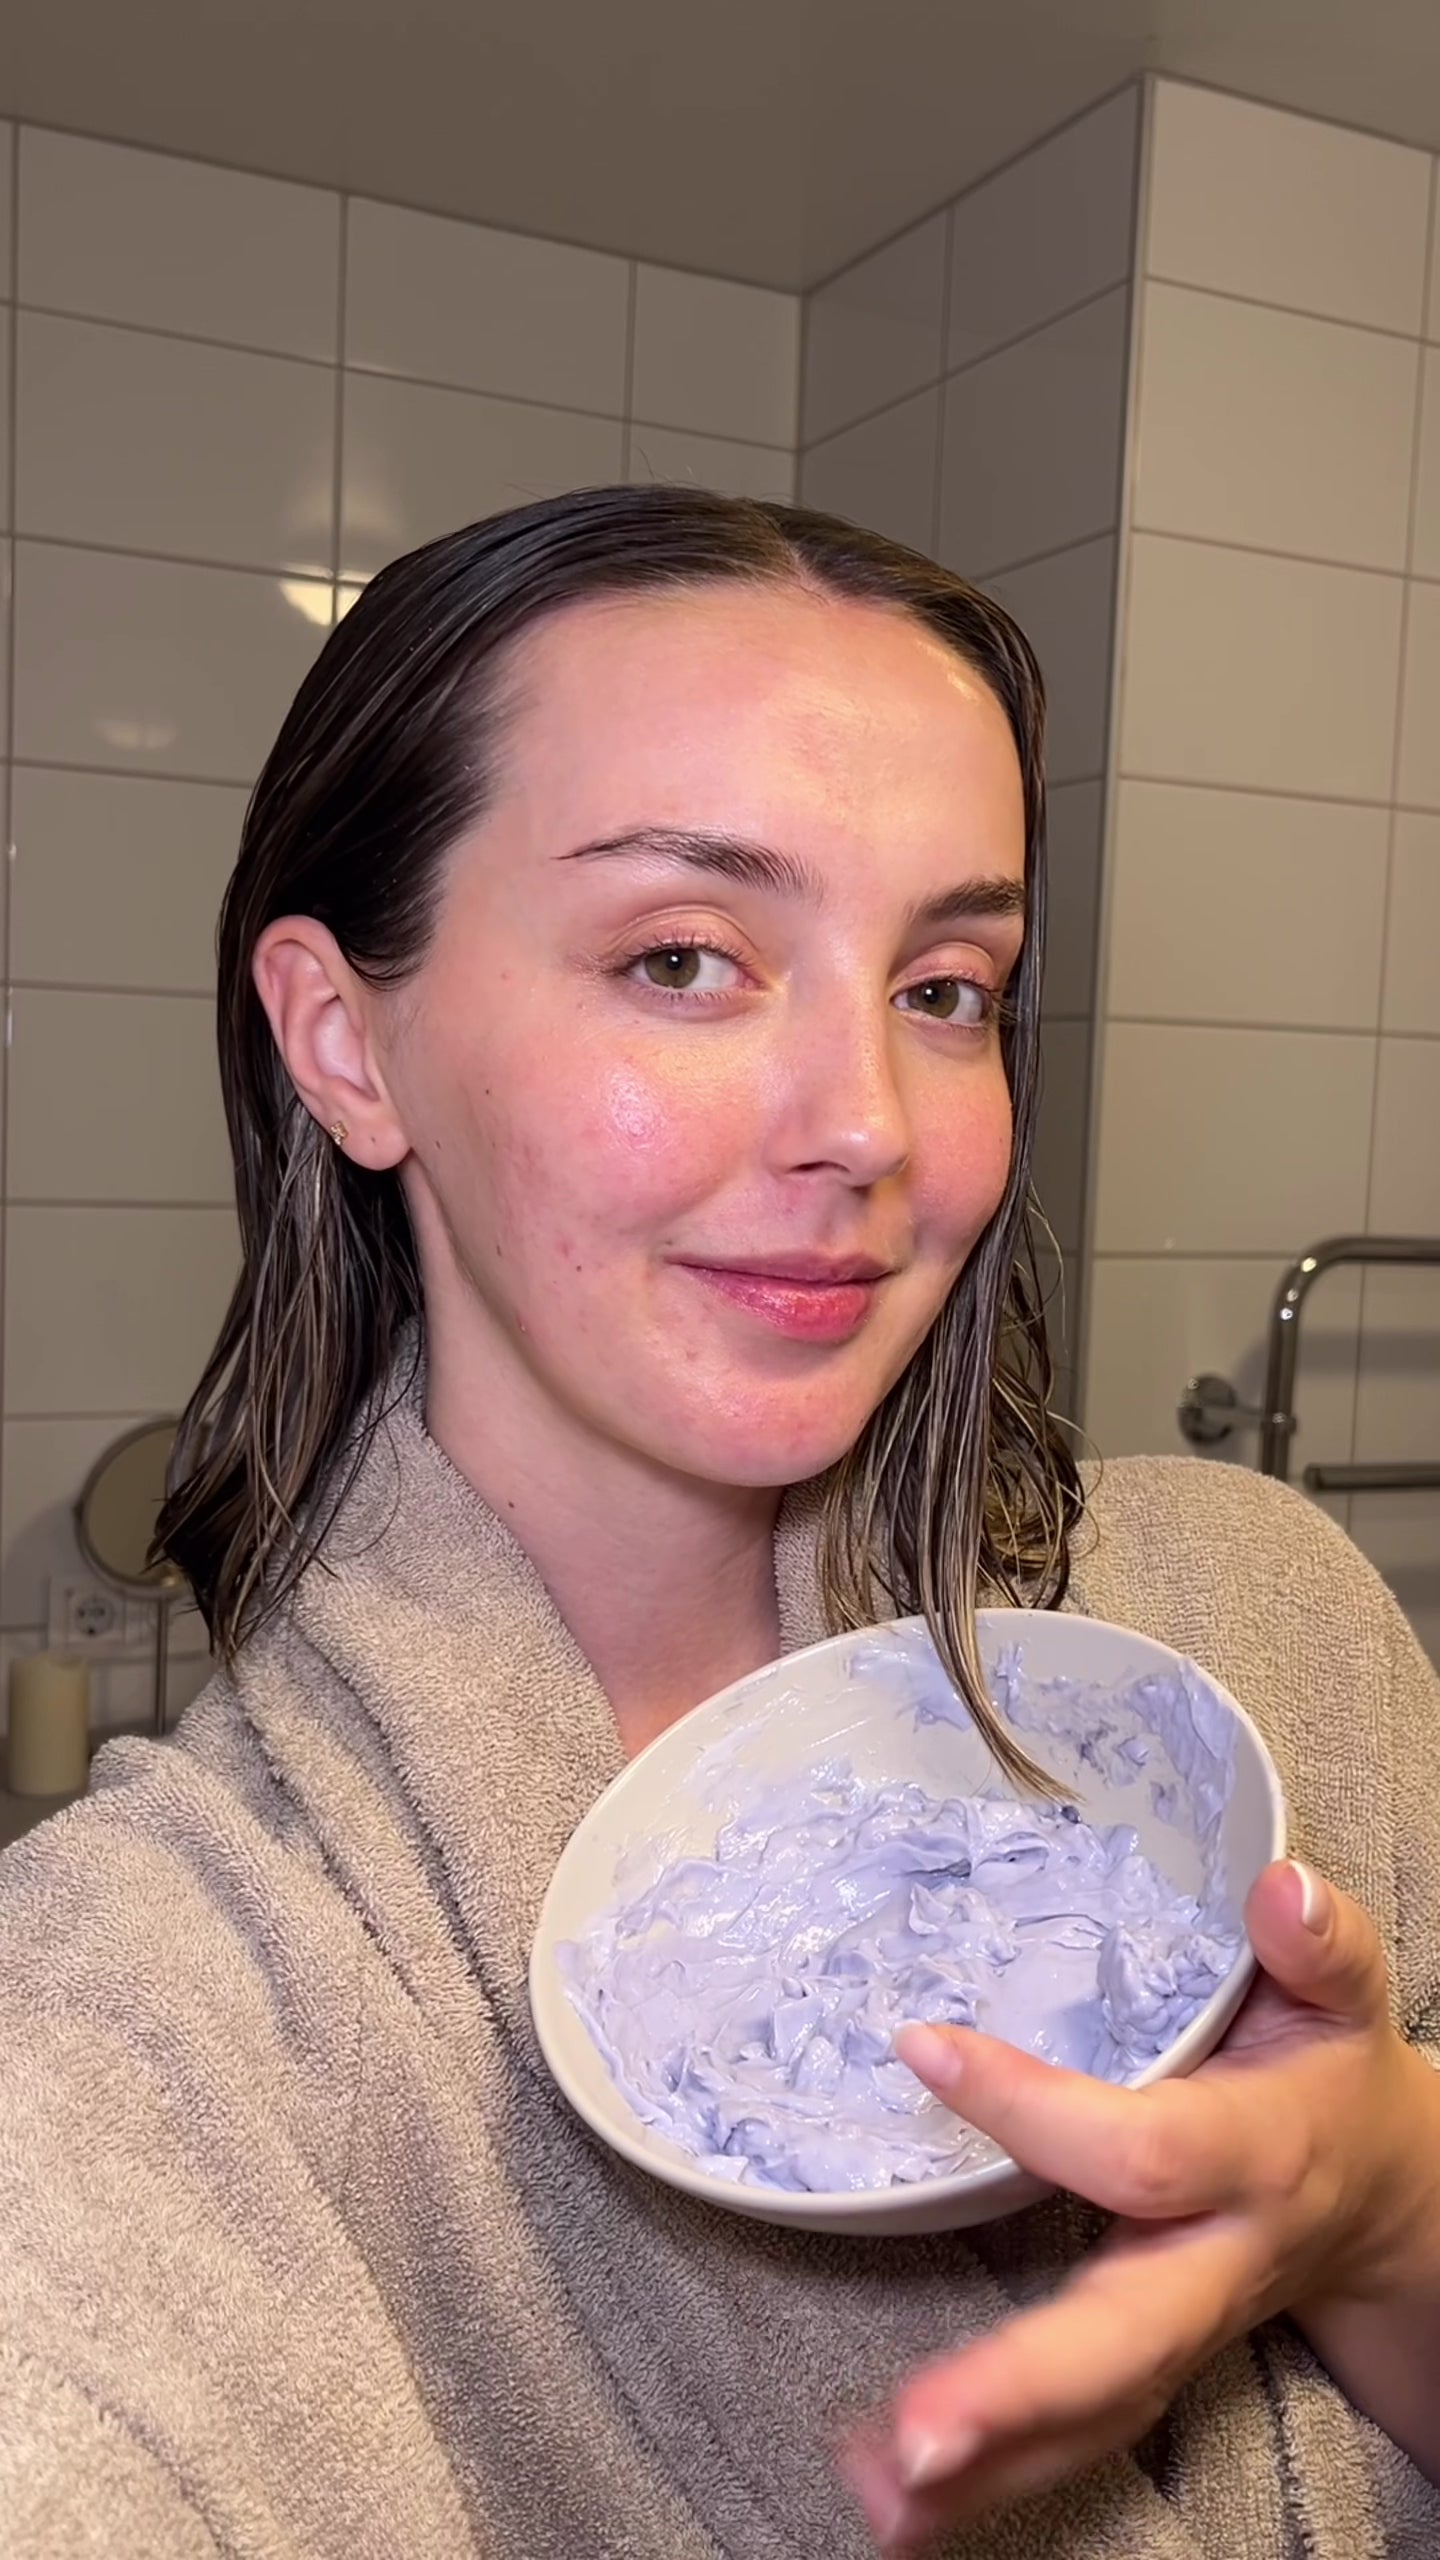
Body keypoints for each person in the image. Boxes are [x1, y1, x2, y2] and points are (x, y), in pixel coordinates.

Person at [0, 486, 1436, 2560]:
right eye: (683, 959)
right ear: (344, 1039)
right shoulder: (144, 2020)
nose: (867, 1123)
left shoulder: (1262, 1634)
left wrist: (1383, 2204)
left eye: (946, 986)